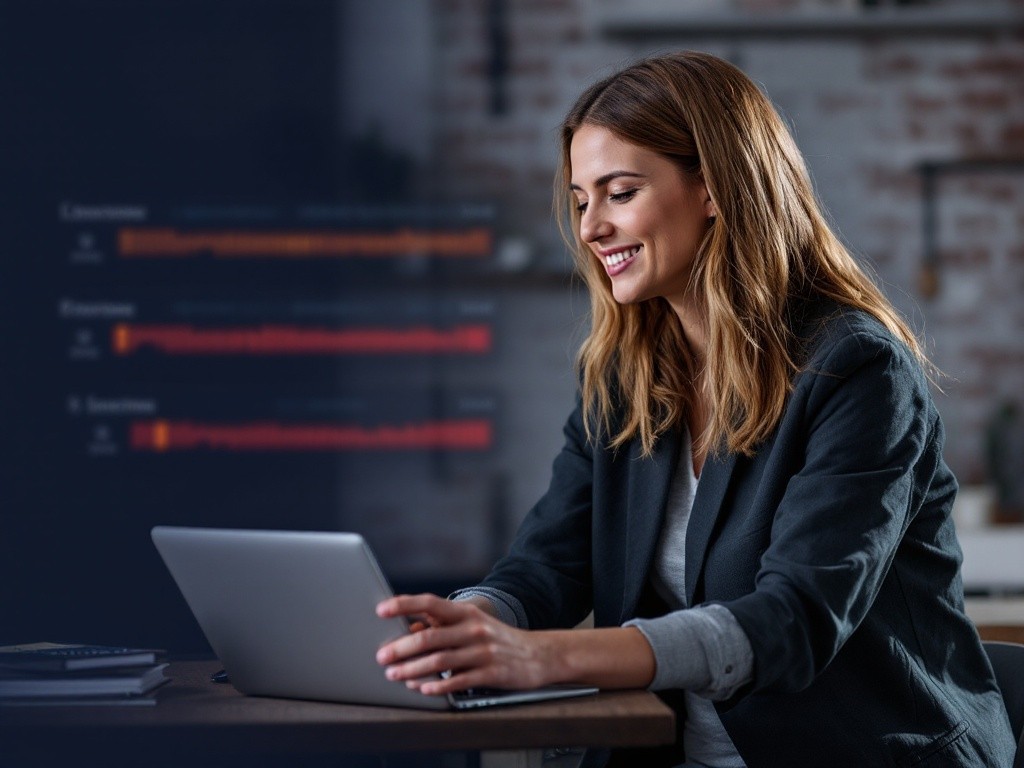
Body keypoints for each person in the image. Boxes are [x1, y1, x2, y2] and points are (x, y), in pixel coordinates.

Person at [376, 51, 1017, 767]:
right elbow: (546, 566)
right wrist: (470, 623)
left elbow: (793, 620)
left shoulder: (858, 370)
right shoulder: (625, 377)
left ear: (713, 187)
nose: (590, 230)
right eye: (583, 200)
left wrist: (544, 657)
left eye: (619, 193)